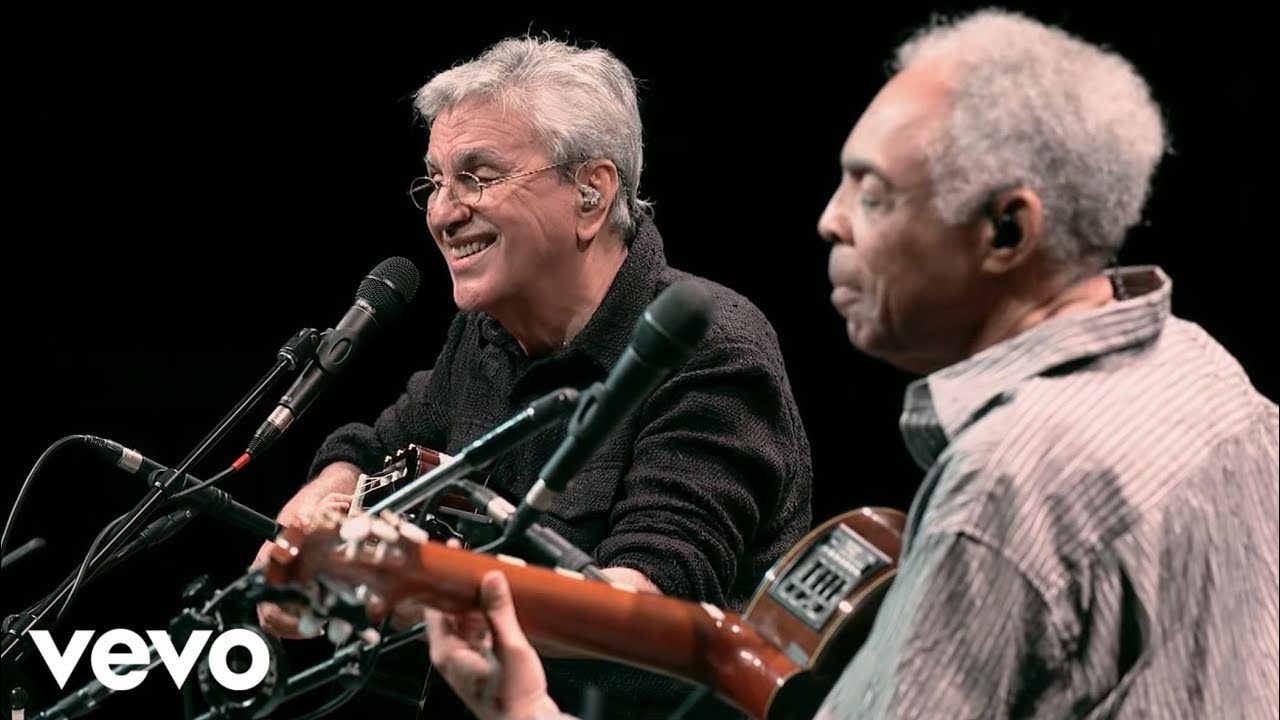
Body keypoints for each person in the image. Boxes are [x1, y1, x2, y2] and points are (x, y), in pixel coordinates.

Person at [421, 8, 1280, 720]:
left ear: (1007, 230)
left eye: (873, 192)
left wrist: (525, 711)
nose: (830, 221)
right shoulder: (1209, 377)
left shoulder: (1006, 486)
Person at [251, 35, 814, 719]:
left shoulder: (712, 348)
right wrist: (312, 516)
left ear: (590, 193)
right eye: (434, 182)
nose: (443, 212)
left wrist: (404, 591)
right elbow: (373, 447)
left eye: (478, 177)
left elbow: (646, 614)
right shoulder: (485, 334)